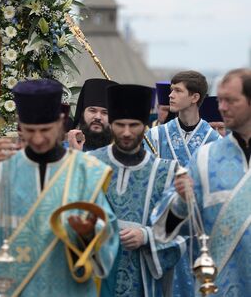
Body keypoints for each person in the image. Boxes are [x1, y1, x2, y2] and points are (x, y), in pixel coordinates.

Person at [0, 78, 119, 296]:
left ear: (60, 122)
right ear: (20, 125)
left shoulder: (86, 171)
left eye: (46, 130)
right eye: (30, 130)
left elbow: (108, 236)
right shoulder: (1, 169)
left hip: (67, 287)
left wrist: (88, 234)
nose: (38, 139)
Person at [152, 68, 251, 295]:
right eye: (221, 100)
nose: (222, 107)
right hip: (216, 284)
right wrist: (180, 200)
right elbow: (163, 228)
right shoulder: (206, 157)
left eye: (231, 101)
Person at [88, 84, 185, 296]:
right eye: (119, 125)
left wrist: (147, 236)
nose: (126, 133)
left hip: (142, 283)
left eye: (134, 125)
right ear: (110, 124)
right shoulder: (89, 164)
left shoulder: (166, 172)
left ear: (145, 125)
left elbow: (179, 230)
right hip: (94, 278)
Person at [146, 71, 220, 168]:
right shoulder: (155, 136)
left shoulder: (215, 140)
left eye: (178, 90)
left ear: (194, 98)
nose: (171, 95)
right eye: (171, 90)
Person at [67, 78, 118, 151]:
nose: (97, 117)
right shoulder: (65, 147)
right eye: (92, 111)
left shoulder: (120, 151)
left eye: (104, 112)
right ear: (82, 113)